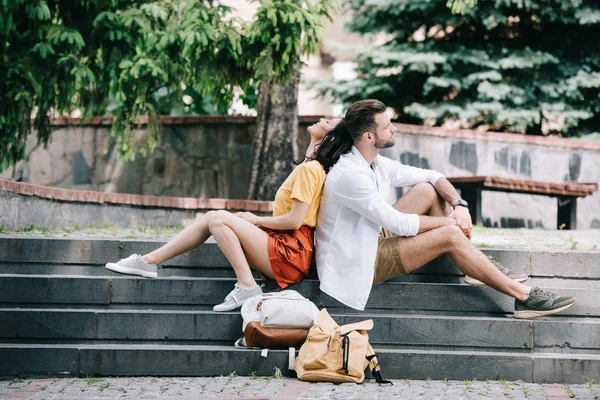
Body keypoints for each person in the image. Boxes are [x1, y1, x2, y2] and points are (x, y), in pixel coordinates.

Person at [313, 99, 576, 319]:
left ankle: (473, 264)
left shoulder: (373, 162)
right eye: (387, 125)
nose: (393, 128)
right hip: (359, 260)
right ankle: (523, 297)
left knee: (428, 189)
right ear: (369, 136)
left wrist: (459, 206)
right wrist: (450, 224)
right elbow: (398, 224)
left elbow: (431, 174)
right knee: (450, 234)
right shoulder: (350, 175)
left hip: (369, 237)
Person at [105, 117, 341, 311]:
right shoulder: (312, 167)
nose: (322, 118)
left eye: (328, 121)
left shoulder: (310, 170)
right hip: (288, 247)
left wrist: (255, 219)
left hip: (289, 251)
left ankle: (246, 284)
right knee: (217, 221)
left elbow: (294, 220)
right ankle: (148, 262)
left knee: (216, 217)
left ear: (329, 138)